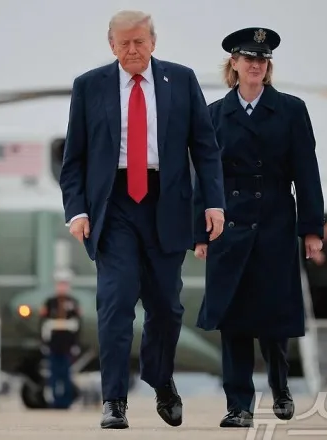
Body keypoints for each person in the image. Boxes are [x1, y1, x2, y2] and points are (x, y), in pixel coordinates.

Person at [59, 10, 226, 429]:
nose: (132, 50)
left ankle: (160, 378)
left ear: (153, 41)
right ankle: (114, 400)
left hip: (166, 202)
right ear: (111, 45)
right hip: (113, 205)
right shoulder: (89, 86)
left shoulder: (181, 80)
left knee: (167, 307)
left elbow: (205, 148)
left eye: (139, 41)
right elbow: (73, 158)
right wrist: (77, 211)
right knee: (115, 302)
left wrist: (214, 203)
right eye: (124, 43)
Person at [192, 27, 325, 428]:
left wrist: (311, 229)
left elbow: (306, 172)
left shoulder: (291, 110)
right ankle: (239, 405)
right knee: (232, 320)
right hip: (227, 227)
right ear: (233, 63)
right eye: (248, 58)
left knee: (272, 316)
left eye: (262, 59)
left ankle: (280, 386)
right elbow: (204, 177)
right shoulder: (213, 114)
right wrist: (199, 233)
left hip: (274, 226)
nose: (255, 65)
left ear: (268, 66)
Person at [39, 270, 82, 409]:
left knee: (66, 374)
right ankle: (55, 401)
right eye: (60, 284)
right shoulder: (50, 303)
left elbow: (77, 325)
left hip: (67, 345)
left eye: (64, 284)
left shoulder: (73, 303)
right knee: (53, 374)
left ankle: (66, 401)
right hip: (53, 344)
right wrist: (43, 342)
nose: (62, 287)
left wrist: (76, 344)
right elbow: (43, 324)